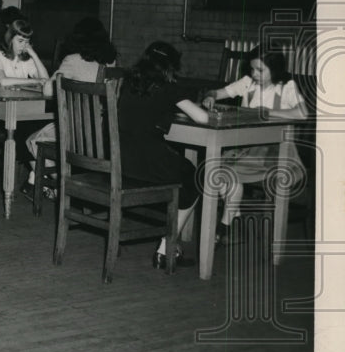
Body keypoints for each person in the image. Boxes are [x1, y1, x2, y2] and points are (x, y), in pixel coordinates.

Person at [117, 41, 208, 269]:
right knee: (195, 176)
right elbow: (203, 118)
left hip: (120, 160)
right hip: (147, 161)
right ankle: (167, 246)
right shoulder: (168, 87)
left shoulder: (128, 82)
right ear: (170, 67)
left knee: (183, 170)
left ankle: (169, 242)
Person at [202, 48, 307, 243]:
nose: (254, 74)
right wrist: (211, 96)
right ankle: (233, 221)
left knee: (227, 172)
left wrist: (269, 113)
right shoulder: (248, 83)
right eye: (252, 69)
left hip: (274, 152)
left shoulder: (286, 87)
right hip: (245, 147)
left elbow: (302, 114)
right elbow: (218, 92)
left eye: (260, 70)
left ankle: (224, 228)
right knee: (217, 172)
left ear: (274, 70)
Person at [25, 17, 118, 188]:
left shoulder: (73, 60)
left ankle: (62, 186)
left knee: (32, 139)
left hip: (77, 133)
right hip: (106, 134)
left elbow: (48, 91)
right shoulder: (111, 61)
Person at [0, 19, 49, 86]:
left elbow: (45, 81)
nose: (24, 45)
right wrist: (35, 81)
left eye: (26, 42)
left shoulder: (26, 59)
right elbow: (3, 81)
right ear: (10, 39)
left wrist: (34, 56)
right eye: (20, 41)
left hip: (18, 96)